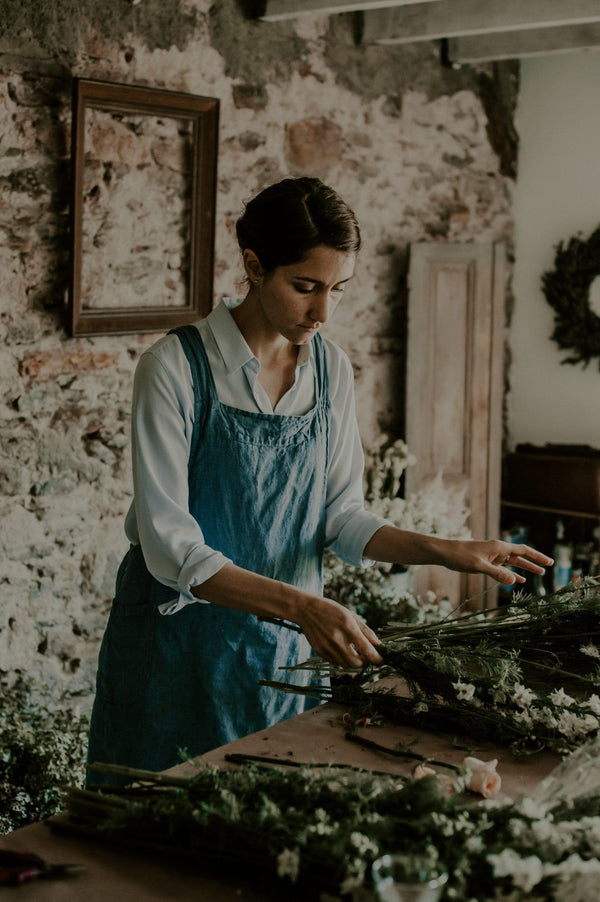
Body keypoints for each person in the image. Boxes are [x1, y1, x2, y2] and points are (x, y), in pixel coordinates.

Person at [87, 177, 551, 780]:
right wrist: (302, 607)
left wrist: (449, 550)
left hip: (278, 649)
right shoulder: (174, 368)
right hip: (174, 649)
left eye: (338, 289)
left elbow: (339, 516)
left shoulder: (330, 370)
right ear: (254, 265)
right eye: (305, 286)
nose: (323, 311)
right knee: (149, 822)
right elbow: (170, 545)